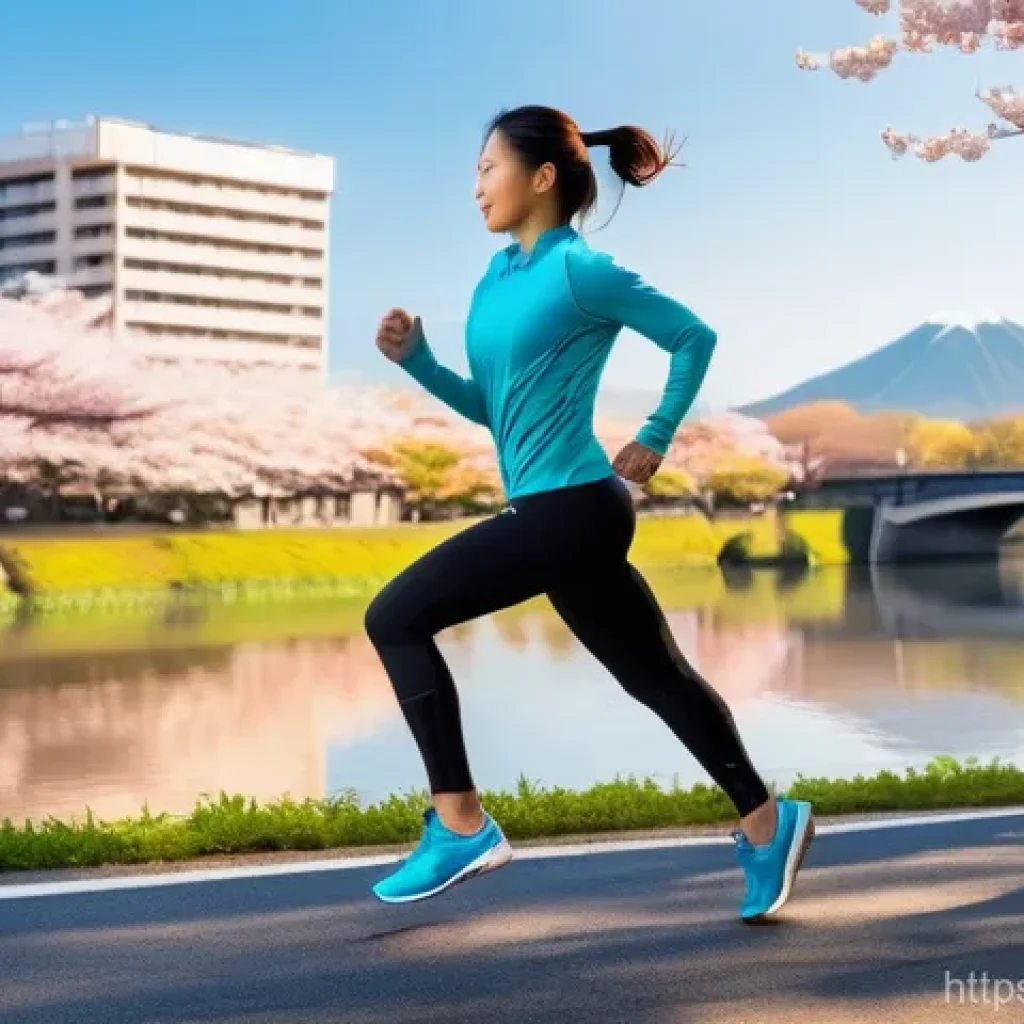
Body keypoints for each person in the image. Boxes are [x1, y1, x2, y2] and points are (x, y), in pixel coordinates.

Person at [365, 105, 814, 921]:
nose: (475, 187)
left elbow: (693, 337)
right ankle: (766, 822)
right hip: (553, 509)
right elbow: (492, 410)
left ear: (541, 177)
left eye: (486, 169)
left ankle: (461, 823)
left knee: (394, 617)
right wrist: (418, 361)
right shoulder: (496, 278)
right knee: (659, 679)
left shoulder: (583, 271)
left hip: (573, 507)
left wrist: (655, 434)